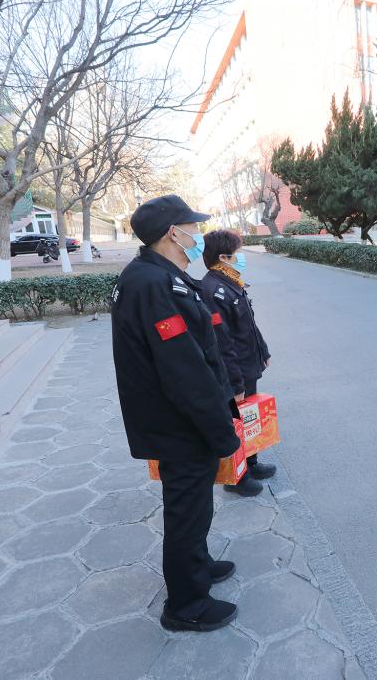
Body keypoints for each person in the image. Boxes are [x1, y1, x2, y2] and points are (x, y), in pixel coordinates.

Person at [110, 195, 242, 633]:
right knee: (186, 510)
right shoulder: (152, 284)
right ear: (173, 232)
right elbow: (183, 369)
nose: (197, 233)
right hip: (178, 422)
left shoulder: (158, 275)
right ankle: (186, 605)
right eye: (193, 226)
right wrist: (221, 430)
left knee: (196, 505)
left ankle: (197, 565)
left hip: (180, 418)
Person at [199, 229, 276, 497]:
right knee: (235, 424)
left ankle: (251, 463)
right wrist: (235, 383)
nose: (240, 257)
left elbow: (248, 324)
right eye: (237, 253)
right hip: (235, 372)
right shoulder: (213, 290)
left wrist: (263, 350)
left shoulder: (231, 282)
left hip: (248, 364)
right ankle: (236, 478)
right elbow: (222, 342)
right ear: (223, 257)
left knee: (249, 419)